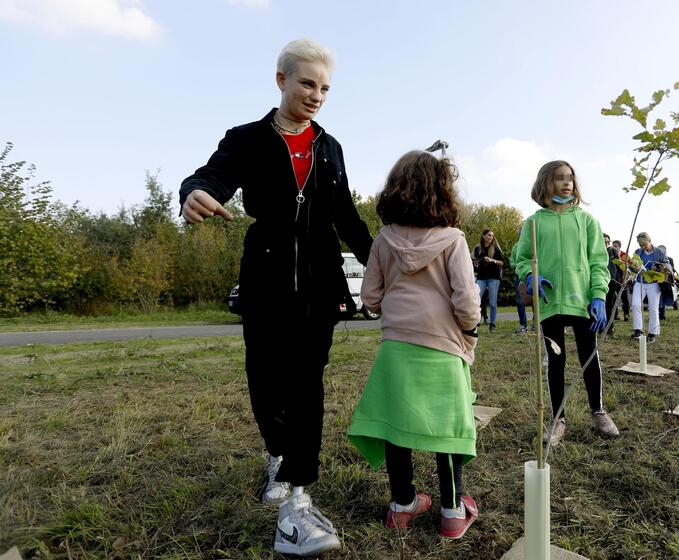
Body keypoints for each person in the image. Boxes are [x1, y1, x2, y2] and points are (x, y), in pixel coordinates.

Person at [179, 39, 373, 556]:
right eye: (307, 83)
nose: (316, 95)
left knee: (308, 384)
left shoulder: (330, 147)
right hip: (265, 279)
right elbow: (212, 176)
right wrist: (194, 192)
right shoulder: (245, 139)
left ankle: (298, 495)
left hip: (320, 284)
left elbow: (347, 217)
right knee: (266, 382)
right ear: (281, 80)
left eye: (325, 88)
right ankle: (275, 453)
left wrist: (382, 260)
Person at [347, 150, 481, 539]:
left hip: (397, 349)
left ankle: (402, 504)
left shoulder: (383, 240)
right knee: (449, 431)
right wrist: (470, 330)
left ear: (395, 189)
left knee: (396, 427)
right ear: (443, 191)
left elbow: (370, 298)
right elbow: (467, 302)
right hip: (444, 348)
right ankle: (453, 512)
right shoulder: (454, 240)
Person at [513, 160, 618, 445]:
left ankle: (598, 411)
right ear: (546, 182)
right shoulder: (534, 223)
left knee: (589, 356)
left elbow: (599, 261)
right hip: (549, 303)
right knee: (555, 360)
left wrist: (598, 295)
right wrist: (531, 276)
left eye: (570, 177)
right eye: (559, 177)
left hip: (582, 301)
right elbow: (520, 258)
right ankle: (558, 419)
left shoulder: (586, 221)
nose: (567, 182)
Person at [630, 233, 668, 342]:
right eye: (640, 245)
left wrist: (658, 267)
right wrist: (634, 266)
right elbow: (632, 267)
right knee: (635, 304)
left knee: (653, 307)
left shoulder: (659, 252)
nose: (643, 247)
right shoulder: (637, 252)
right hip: (640, 281)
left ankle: (653, 333)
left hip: (654, 283)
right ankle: (638, 330)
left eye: (644, 244)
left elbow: (667, 264)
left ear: (649, 241)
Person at [473, 229, 504, 333]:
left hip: (493, 278)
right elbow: (475, 262)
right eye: (489, 235)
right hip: (481, 278)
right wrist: (476, 264)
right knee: (475, 300)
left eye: (492, 236)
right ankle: (474, 323)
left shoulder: (495, 248)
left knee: (492, 302)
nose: (491, 237)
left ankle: (492, 324)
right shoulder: (478, 249)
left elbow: (502, 263)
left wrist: (492, 260)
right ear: (483, 236)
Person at [604, 233, 622, 335]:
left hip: (611, 281)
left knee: (609, 305)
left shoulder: (612, 250)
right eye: (604, 241)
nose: (606, 243)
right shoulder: (594, 249)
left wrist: (621, 280)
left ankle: (609, 327)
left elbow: (619, 265)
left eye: (607, 242)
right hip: (598, 280)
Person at [612, 239, 631, 321]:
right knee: (614, 297)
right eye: (613, 246)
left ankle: (626, 314)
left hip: (622, 279)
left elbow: (629, 266)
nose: (614, 248)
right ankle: (615, 315)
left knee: (624, 297)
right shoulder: (611, 254)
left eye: (616, 246)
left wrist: (625, 277)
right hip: (614, 278)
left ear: (619, 247)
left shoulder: (624, 255)